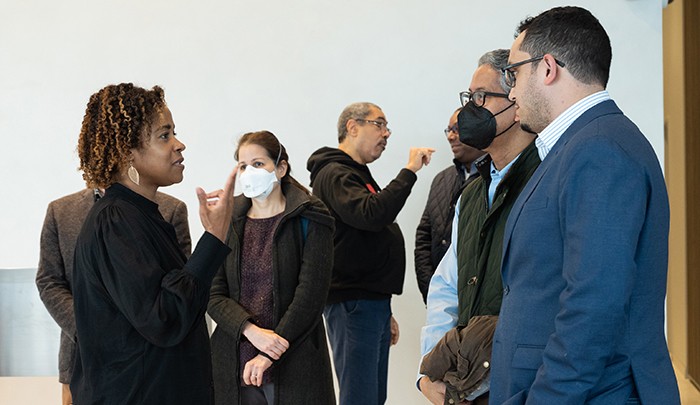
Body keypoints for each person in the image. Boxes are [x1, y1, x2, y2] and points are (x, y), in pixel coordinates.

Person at [490, 6, 681, 404]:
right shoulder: (580, 145)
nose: (510, 91)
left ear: (547, 68)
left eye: (513, 73)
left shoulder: (599, 150)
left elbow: (594, 304)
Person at [70, 83, 236, 404]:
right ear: (128, 153)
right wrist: (213, 240)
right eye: (165, 135)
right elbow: (164, 318)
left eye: (175, 133)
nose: (179, 145)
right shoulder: (116, 221)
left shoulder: (143, 216)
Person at [417, 49, 540, 405]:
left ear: (516, 101)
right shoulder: (472, 193)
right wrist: (429, 373)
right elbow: (447, 286)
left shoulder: (545, 179)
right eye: (469, 97)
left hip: (522, 384)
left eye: (481, 97)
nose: (471, 108)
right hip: (467, 383)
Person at [307, 102, 434, 405]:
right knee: (360, 398)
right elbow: (371, 214)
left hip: (369, 302)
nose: (387, 133)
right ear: (352, 127)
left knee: (372, 398)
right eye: (379, 124)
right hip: (353, 303)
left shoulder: (355, 174)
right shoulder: (335, 173)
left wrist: (384, 307)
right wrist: (409, 170)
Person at [207, 130, 336, 405]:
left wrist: (270, 351)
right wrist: (251, 331)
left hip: (295, 360)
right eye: (243, 165)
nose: (249, 172)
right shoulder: (228, 219)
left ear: (280, 168)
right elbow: (212, 291)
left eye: (258, 164)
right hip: (235, 364)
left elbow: (311, 295)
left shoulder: (312, 217)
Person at [36, 186, 190, 405]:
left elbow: (181, 282)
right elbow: (48, 280)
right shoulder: (60, 210)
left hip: (148, 357)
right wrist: (87, 328)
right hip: (81, 356)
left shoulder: (170, 208)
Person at [414, 108, 484, 303]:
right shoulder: (442, 179)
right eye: (448, 130)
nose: (451, 137)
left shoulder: (495, 177)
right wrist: (432, 292)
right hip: (441, 298)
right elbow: (424, 238)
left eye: (457, 129)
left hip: (477, 301)